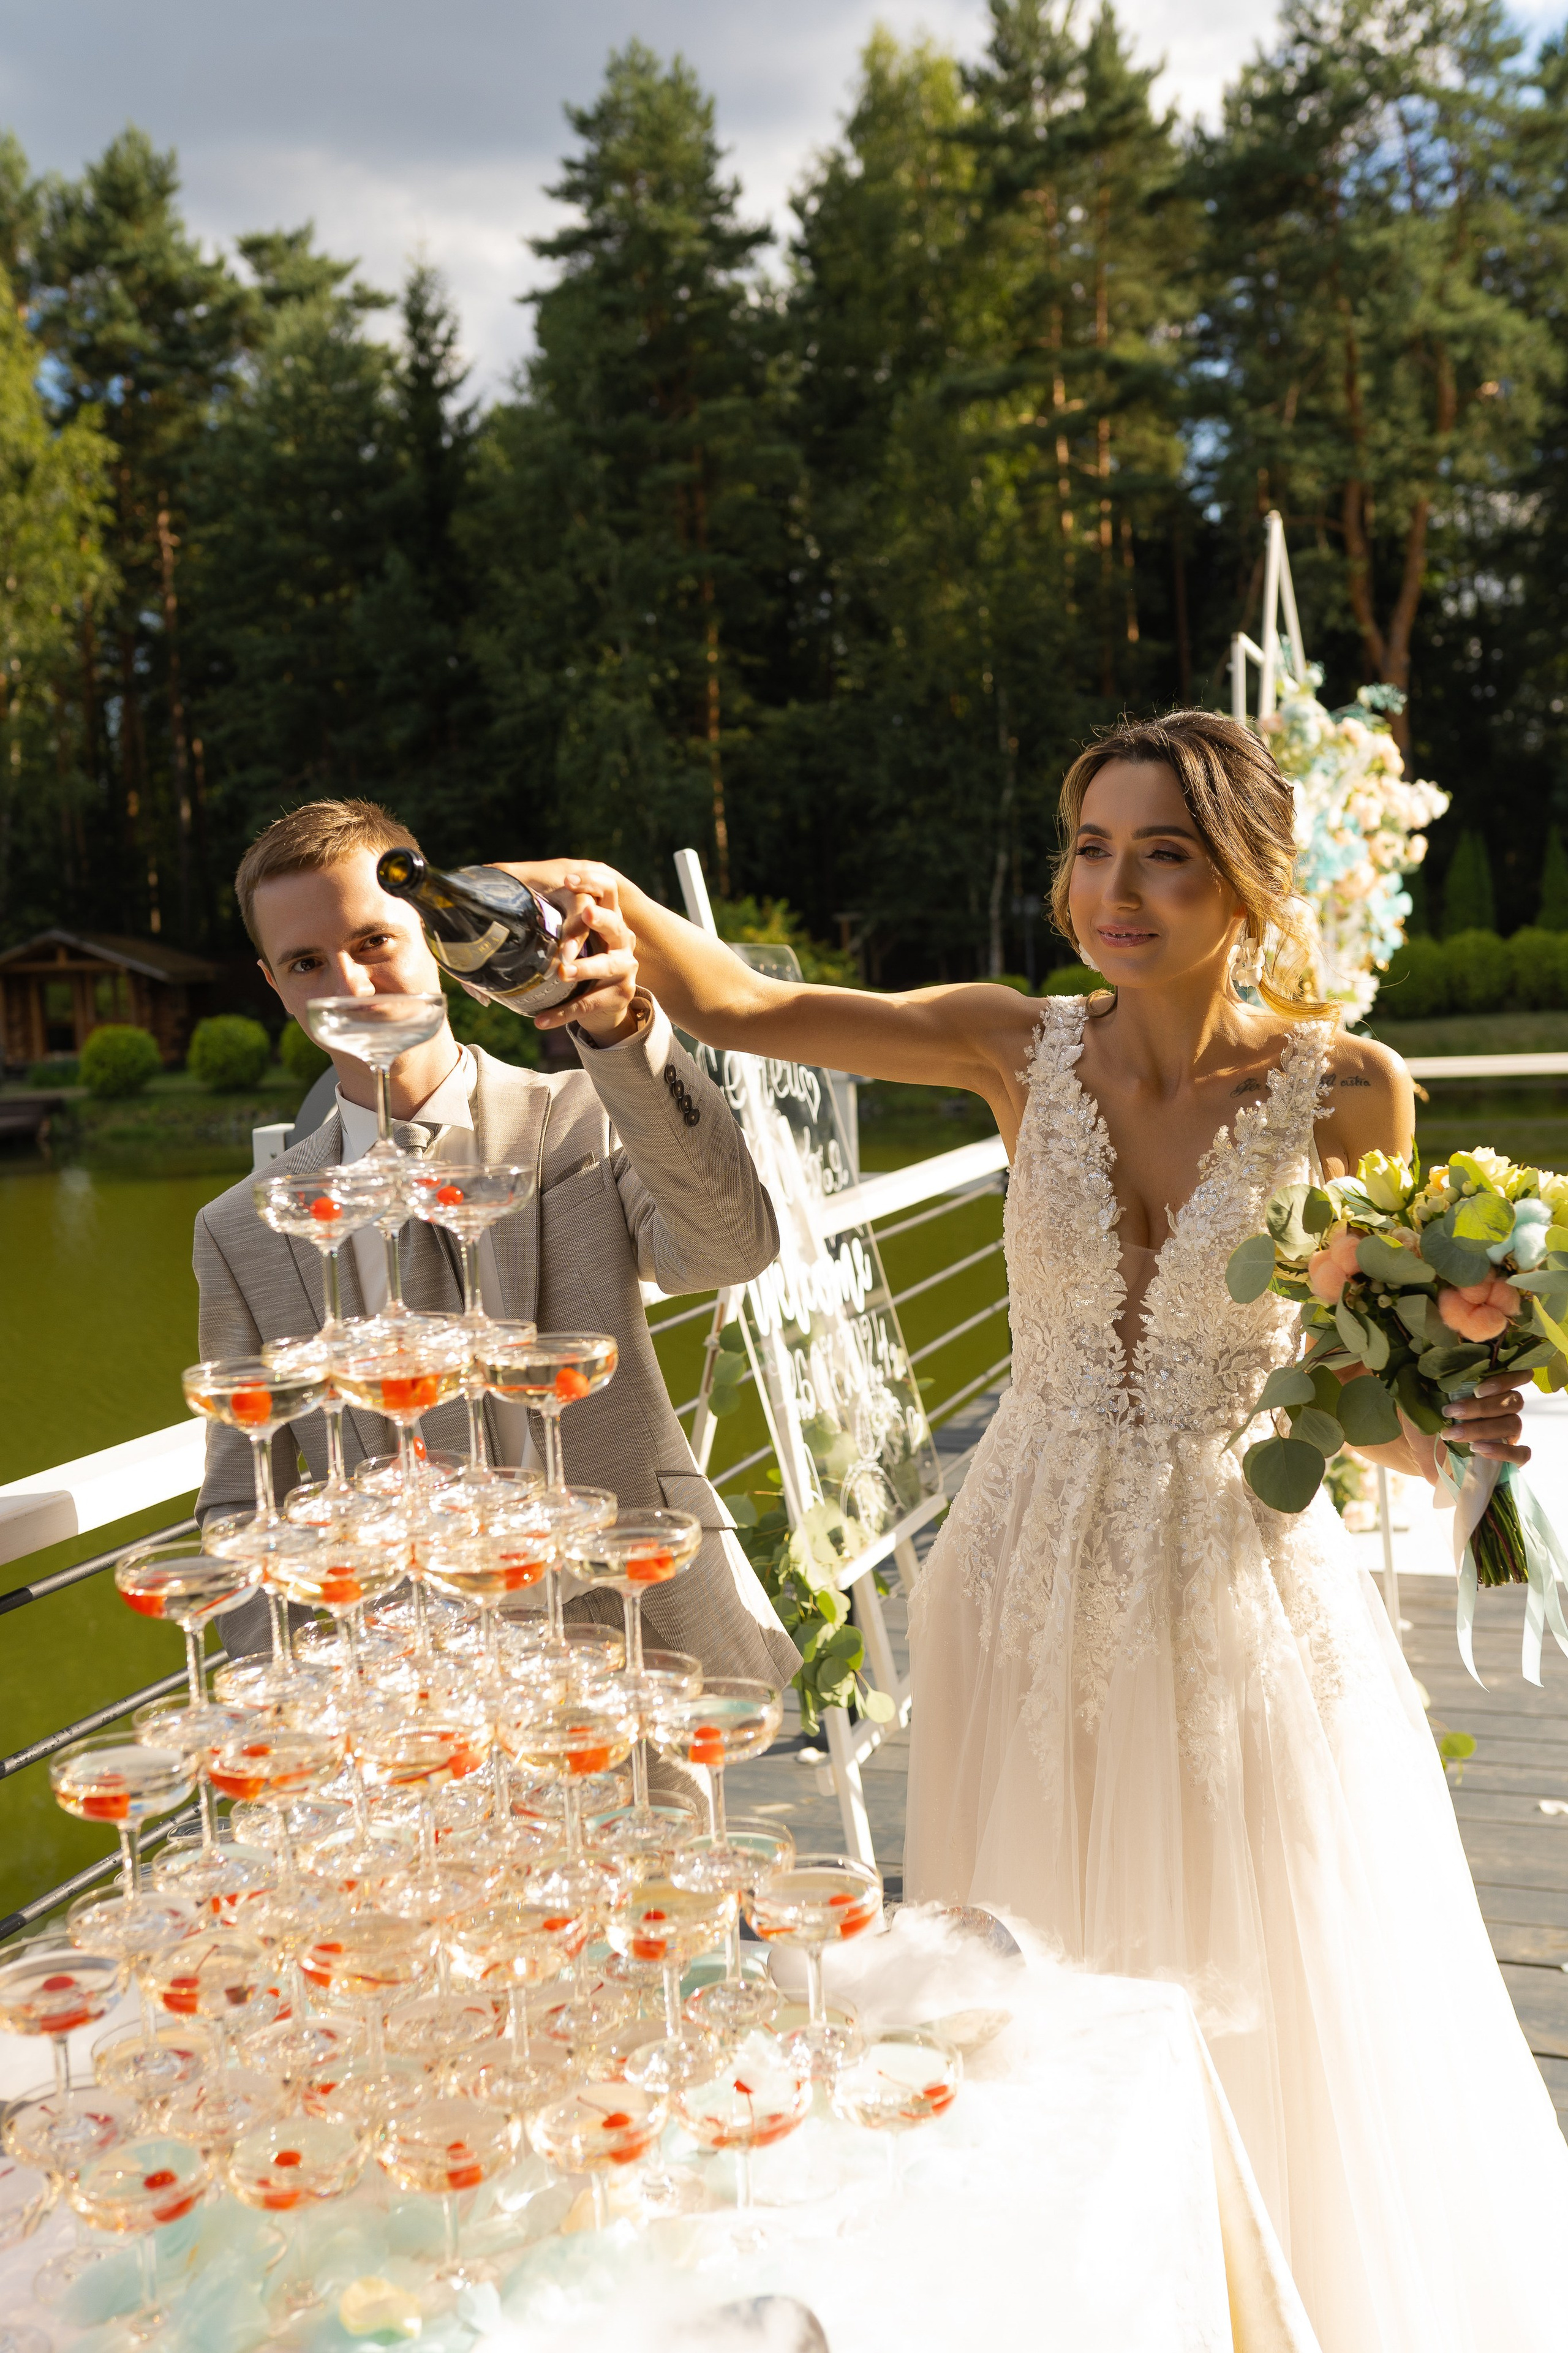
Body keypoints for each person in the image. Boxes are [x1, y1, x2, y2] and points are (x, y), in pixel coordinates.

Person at [502, 712, 1568, 2352]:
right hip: (1022, 1565)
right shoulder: (1018, 1045)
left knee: (1268, 1943)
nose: (1115, 887)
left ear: (1251, 879)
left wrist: (1466, 1428)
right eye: (1090, 847)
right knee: (1035, 1954)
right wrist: (605, 895)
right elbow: (746, 1006)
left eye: (1165, 852)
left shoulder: (1350, 1091)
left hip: (1236, 1572)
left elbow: (1365, 1394)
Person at [192, 796, 798, 1691]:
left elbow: (731, 1248)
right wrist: (308, 1692)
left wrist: (621, 1034)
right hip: (416, 1687)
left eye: (372, 943)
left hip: (637, 1647)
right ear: (273, 983)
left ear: (434, 933)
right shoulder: (244, 1226)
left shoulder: (581, 1117)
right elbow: (244, 1500)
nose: (349, 988)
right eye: (306, 962)